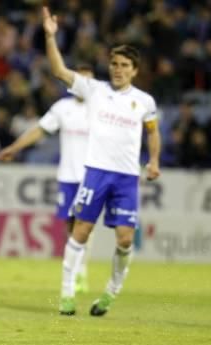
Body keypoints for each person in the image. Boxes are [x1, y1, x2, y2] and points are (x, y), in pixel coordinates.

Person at [41, 6, 161, 316]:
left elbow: (153, 133)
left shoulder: (144, 101)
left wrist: (154, 160)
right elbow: (58, 70)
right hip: (95, 173)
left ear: (134, 70)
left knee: (124, 240)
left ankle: (111, 292)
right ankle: (67, 295)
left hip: (125, 178)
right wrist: (50, 37)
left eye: (124, 65)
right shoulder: (95, 90)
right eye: (113, 64)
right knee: (80, 232)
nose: (117, 69)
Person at [0, 64, 94, 293]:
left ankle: (80, 272)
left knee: (83, 224)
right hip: (67, 176)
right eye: (79, 79)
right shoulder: (62, 108)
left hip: (92, 176)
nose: (83, 85)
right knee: (70, 225)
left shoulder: (101, 110)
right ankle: (77, 268)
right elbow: (39, 130)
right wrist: (15, 147)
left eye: (88, 81)